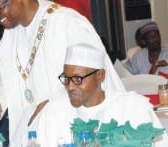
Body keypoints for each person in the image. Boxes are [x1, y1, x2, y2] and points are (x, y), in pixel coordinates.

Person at [0, 0, 125, 144]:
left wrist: (51, 104)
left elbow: (93, 79)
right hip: (33, 130)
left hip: (71, 126)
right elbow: (7, 75)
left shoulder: (67, 23)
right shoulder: (11, 33)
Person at [24, 43, 168, 146]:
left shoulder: (132, 107)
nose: (70, 86)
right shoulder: (53, 111)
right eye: (66, 79)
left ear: (100, 75)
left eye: (77, 79)